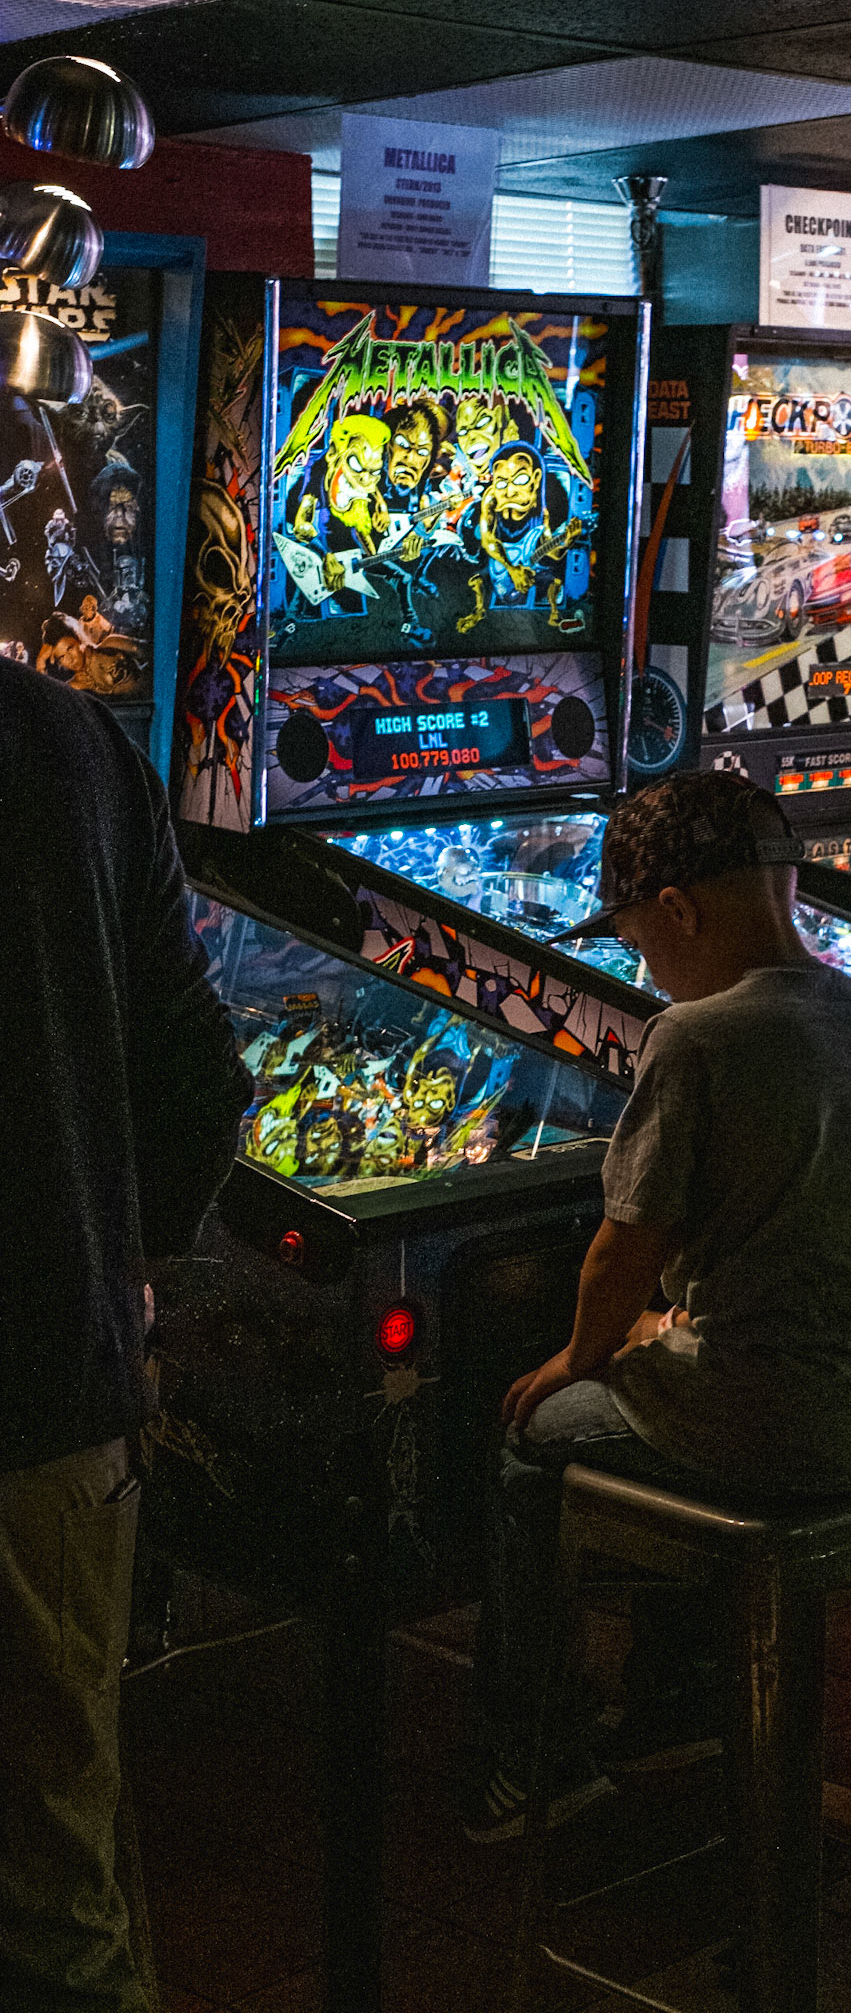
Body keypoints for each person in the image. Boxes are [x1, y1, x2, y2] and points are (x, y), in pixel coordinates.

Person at [462, 769, 851, 1840]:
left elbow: (624, 1248)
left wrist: (577, 1357)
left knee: (529, 1438)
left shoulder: (698, 1035)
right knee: (665, 1379)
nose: (643, 960)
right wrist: (663, 1333)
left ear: (679, 909)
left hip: (776, 1421)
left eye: (637, 937)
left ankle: (535, 1761)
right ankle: (678, 1698)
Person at [0, 659, 252, 2012]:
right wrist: (122, 1266)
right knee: (54, 1880)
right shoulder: (74, 739)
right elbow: (201, 1077)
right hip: (49, 1379)